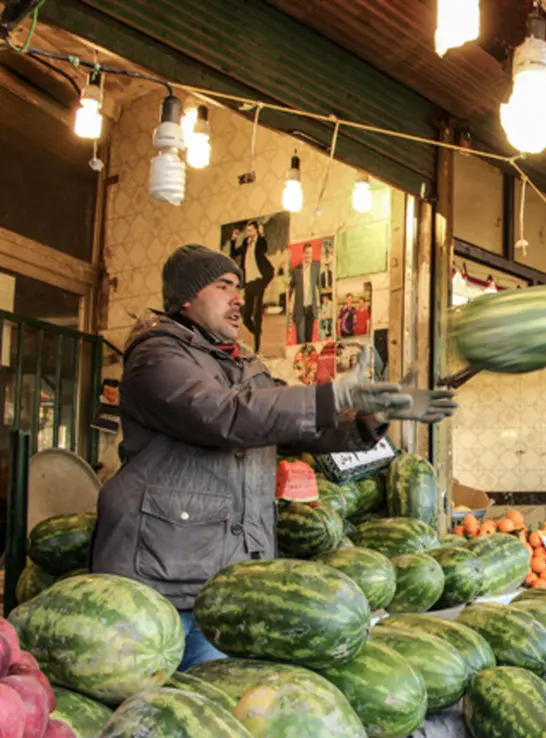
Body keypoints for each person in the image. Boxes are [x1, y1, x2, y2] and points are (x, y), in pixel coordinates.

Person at [92, 244, 457, 670]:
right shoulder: (156, 358)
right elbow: (224, 415)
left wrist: (371, 417)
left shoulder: (247, 365)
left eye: (239, 289)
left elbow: (292, 425)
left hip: (231, 581)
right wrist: (331, 393)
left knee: (221, 708)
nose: (237, 299)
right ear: (186, 298)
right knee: (172, 716)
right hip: (165, 575)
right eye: (223, 286)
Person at [227, 220, 273, 351]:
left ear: (256, 231)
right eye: (247, 231)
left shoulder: (259, 243)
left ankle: (257, 347)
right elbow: (233, 254)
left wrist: (262, 235)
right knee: (246, 316)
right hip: (248, 283)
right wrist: (233, 240)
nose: (248, 233)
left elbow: (264, 248)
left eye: (251, 230)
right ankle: (257, 333)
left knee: (257, 313)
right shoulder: (246, 244)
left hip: (259, 280)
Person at [291, 243, 320, 344]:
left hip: (311, 308)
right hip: (299, 309)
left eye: (310, 253)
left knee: (309, 339)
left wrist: (319, 306)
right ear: (303, 254)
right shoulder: (296, 270)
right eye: (307, 253)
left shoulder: (316, 267)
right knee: (300, 339)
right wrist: (290, 309)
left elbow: (319, 286)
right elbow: (291, 289)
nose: (309, 255)